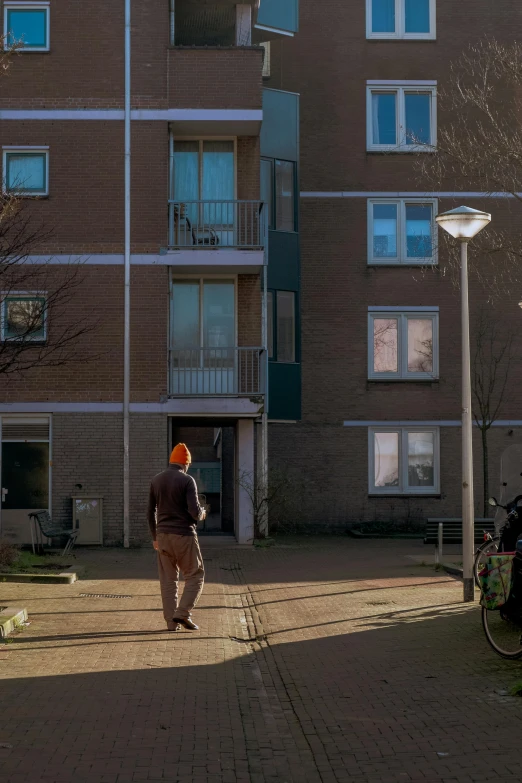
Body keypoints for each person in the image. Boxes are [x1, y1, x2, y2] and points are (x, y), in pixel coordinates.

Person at [148, 443, 206, 631]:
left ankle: (171, 623)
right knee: (195, 575)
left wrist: (155, 536)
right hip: (184, 535)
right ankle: (182, 614)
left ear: (171, 461)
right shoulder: (187, 480)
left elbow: (150, 511)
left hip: (162, 536)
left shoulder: (156, 480)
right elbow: (194, 512)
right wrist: (204, 512)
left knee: (168, 580)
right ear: (185, 463)